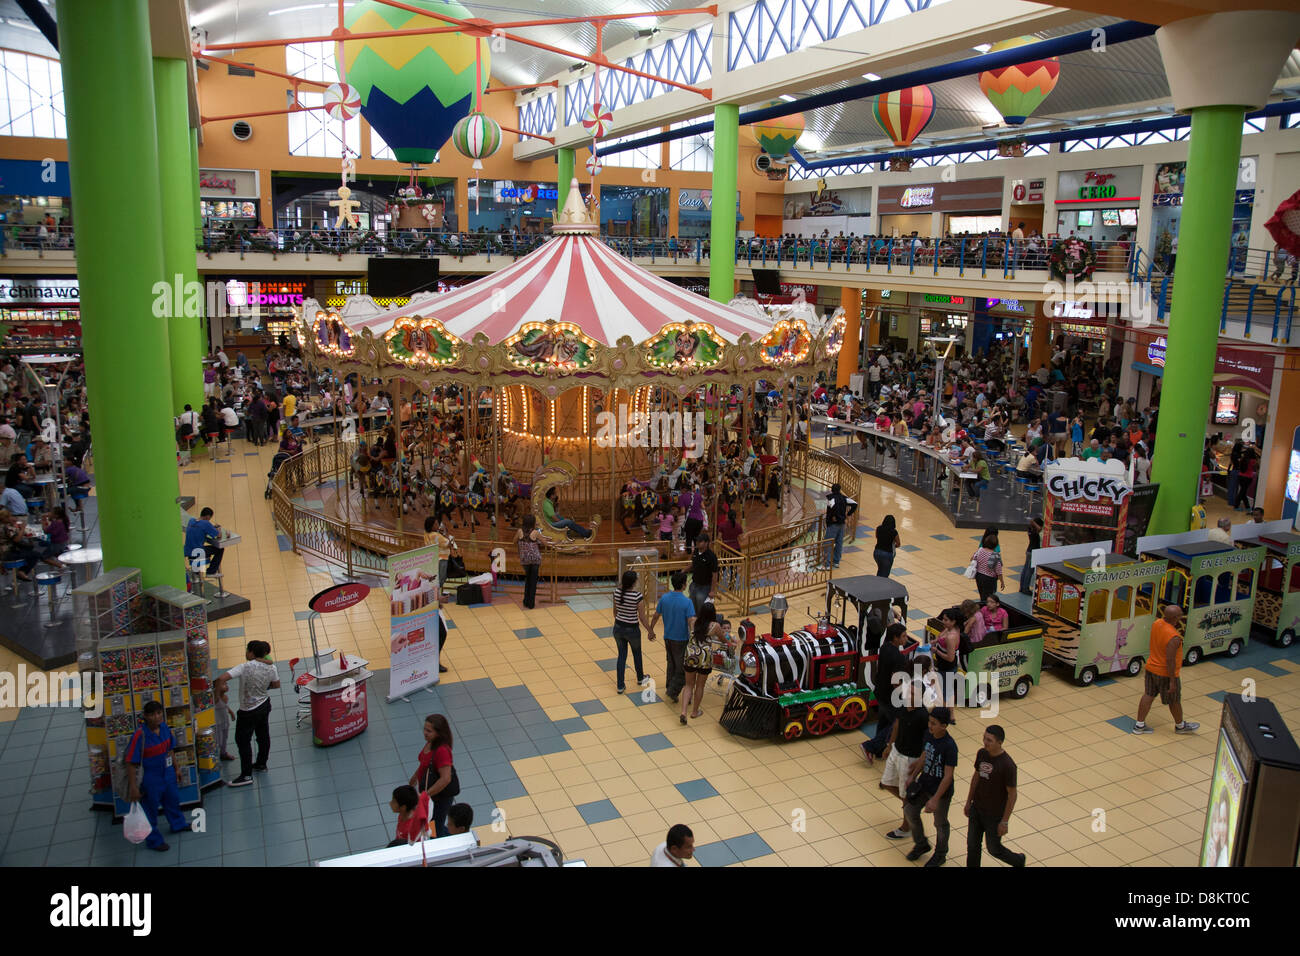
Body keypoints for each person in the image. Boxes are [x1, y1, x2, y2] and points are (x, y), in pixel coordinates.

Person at [124, 700, 191, 852]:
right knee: (150, 809)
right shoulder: (139, 736)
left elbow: (170, 749)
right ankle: (154, 840)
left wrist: (176, 768)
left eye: (159, 713)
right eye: (153, 714)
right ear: (146, 717)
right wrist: (134, 788)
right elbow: (130, 762)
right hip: (150, 778)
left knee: (172, 800)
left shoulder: (165, 728)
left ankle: (178, 824)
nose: (157, 717)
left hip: (167, 773)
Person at [213, 640, 280, 787]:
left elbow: (221, 679)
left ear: (251, 652)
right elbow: (276, 685)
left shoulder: (244, 667)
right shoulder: (272, 668)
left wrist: (217, 696)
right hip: (264, 705)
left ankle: (246, 774)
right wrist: (261, 688)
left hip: (248, 711)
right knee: (263, 736)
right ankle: (261, 764)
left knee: (242, 740)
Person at [901, 707, 958, 867]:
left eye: (934, 723)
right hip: (924, 784)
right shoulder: (929, 735)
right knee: (910, 811)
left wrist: (935, 799)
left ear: (944, 726)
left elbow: (948, 777)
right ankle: (921, 844)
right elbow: (925, 755)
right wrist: (913, 776)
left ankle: (940, 854)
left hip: (941, 792)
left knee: (940, 823)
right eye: (929, 722)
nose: (930, 726)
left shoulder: (950, 746)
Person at [964, 725, 1026, 868]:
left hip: (994, 815)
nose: (985, 742)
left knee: (994, 849)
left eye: (989, 740)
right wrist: (968, 802)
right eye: (984, 738)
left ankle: (1018, 861)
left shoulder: (1008, 765)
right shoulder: (982, 753)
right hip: (977, 809)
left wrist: (1004, 821)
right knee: (972, 845)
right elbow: (976, 777)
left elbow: (1012, 795)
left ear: (999, 742)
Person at [1133, 605, 1199, 735]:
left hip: (1151, 667)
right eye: (1180, 614)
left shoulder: (1157, 623)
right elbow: (1170, 660)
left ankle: (1139, 726)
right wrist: (1172, 681)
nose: (1181, 616)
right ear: (1175, 618)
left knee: (1148, 694)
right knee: (1174, 700)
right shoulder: (1174, 637)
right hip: (1165, 674)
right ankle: (1180, 726)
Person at [883, 676, 932, 840]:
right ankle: (911, 803)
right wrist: (889, 745)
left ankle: (906, 827)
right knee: (887, 783)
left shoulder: (923, 716)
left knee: (905, 793)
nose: (908, 695)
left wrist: (920, 762)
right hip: (897, 750)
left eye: (912, 693)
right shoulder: (904, 707)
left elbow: (928, 741)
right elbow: (897, 724)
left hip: (910, 758)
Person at [861, 623, 909, 762]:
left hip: (880, 691)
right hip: (891, 696)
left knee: (883, 721)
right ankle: (869, 746)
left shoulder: (884, 648)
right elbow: (895, 681)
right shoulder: (898, 657)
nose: (906, 639)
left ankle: (879, 750)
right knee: (893, 725)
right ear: (895, 638)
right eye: (903, 636)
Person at [408, 713, 460, 837]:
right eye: (424, 729)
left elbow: (446, 778)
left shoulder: (442, 751)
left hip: (439, 798)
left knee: (435, 828)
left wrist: (426, 794)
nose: (425, 733)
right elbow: (425, 764)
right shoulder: (430, 742)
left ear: (439, 733)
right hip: (430, 794)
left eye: (429, 731)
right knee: (435, 826)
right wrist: (415, 777)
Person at [681, 601, 730, 725]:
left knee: (688, 685)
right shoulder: (715, 626)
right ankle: (694, 712)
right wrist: (732, 644)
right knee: (700, 686)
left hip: (690, 655)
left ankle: (683, 712)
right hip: (704, 657)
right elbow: (724, 640)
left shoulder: (692, 621)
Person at [648, 569, 694, 703]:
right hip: (681, 639)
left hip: (667, 637)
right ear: (684, 585)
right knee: (682, 668)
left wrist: (651, 630)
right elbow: (691, 621)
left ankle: (669, 684)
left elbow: (656, 615)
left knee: (671, 663)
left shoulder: (665, 598)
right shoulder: (687, 602)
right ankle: (673, 690)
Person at [612, 570, 652, 694]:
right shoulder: (637, 596)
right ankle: (640, 678)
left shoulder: (616, 592)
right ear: (634, 582)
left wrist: (620, 621)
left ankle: (620, 685)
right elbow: (642, 616)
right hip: (632, 629)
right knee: (637, 654)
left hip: (618, 627)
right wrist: (650, 630)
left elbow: (615, 612)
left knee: (622, 656)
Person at [823, 482, 857, 569]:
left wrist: (835, 516)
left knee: (828, 543)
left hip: (833, 524)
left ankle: (827, 564)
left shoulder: (831, 498)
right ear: (839, 490)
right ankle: (836, 561)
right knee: (839, 543)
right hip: (842, 524)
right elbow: (854, 504)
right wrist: (848, 514)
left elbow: (832, 507)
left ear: (832, 490)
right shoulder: (844, 498)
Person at [183, 506, 224, 575]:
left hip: (188, 552)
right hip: (198, 553)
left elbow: (199, 529)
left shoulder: (191, 520)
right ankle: (211, 572)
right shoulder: (206, 523)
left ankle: (196, 572)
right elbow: (219, 535)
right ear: (208, 516)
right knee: (220, 549)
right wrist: (219, 528)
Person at [515, 514, 543, 609]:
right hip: (535, 560)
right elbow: (545, 542)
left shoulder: (519, 531)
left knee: (527, 580)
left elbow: (513, 541)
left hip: (524, 560)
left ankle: (525, 601)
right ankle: (531, 603)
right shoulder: (535, 532)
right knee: (533, 582)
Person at [970, 529, 1004, 600]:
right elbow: (999, 571)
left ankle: (982, 606)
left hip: (979, 576)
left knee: (982, 594)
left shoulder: (980, 550)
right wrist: (1002, 582)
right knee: (988, 597)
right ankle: (985, 609)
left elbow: (972, 558)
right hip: (989, 579)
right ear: (995, 545)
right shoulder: (995, 555)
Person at [689, 533, 718, 614]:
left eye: (700, 541)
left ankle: (701, 622)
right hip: (694, 584)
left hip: (705, 587)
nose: (697, 543)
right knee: (692, 605)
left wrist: (712, 591)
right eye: (697, 541)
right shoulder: (695, 552)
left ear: (706, 543)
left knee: (701, 606)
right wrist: (683, 571)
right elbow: (693, 564)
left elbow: (715, 574)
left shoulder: (711, 556)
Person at [1020, 517, 1042, 595]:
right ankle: (1025, 588)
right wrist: (1034, 522)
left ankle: (1021, 587)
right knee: (1029, 571)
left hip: (1029, 551)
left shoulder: (1030, 529)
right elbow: (1039, 528)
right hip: (1033, 552)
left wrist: (1033, 523)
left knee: (1025, 570)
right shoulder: (1035, 531)